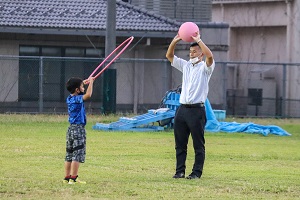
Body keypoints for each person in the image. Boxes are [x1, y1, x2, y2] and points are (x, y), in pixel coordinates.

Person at [166, 31, 215, 179]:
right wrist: (174, 41)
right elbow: (169, 56)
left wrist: (199, 41)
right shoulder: (186, 66)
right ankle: (179, 171)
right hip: (182, 110)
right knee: (180, 144)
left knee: (198, 145)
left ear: (201, 54)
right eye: (190, 52)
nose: (192, 54)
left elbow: (210, 56)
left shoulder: (206, 68)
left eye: (195, 52)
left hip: (196, 111)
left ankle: (196, 173)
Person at [63, 76, 95, 184]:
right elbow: (88, 95)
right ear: (77, 89)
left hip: (71, 129)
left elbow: (80, 92)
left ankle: (67, 177)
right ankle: (73, 178)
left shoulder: (70, 98)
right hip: (78, 129)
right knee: (77, 153)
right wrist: (91, 83)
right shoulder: (77, 100)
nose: (84, 87)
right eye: (82, 86)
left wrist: (83, 83)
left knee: (69, 154)